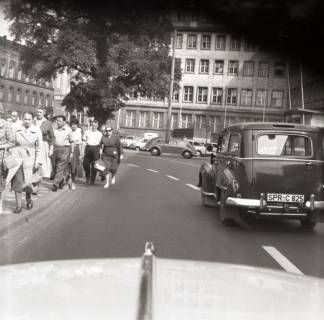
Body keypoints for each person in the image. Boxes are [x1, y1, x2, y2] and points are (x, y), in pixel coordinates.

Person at [11, 112, 43, 213]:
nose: (27, 121)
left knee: (27, 181)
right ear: (22, 119)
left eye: (29, 119)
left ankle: (28, 199)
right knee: (17, 181)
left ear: (32, 119)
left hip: (30, 157)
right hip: (17, 156)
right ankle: (18, 206)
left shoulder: (37, 130)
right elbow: (12, 142)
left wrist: (38, 161)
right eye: (25, 119)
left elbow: (39, 147)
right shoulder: (17, 129)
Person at [52, 115, 72, 191]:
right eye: (57, 120)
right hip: (56, 148)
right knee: (55, 166)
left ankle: (55, 184)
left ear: (64, 122)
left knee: (60, 166)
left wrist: (72, 152)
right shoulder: (54, 129)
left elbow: (72, 141)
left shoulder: (68, 130)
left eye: (59, 121)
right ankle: (62, 180)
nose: (57, 122)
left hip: (65, 149)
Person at [34, 107, 55, 179]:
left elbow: (52, 137)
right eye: (37, 112)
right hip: (32, 144)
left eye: (40, 112)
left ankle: (38, 179)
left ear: (44, 113)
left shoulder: (47, 123)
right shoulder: (33, 121)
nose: (38, 114)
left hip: (43, 144)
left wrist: (51, 149)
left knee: (41, 163)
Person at [82, 119, 102, 184]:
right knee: (85, 164)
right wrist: (82, 149)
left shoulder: (99, 134)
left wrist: (100, 152)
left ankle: (92, 179)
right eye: (93, 125)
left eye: (95, 125)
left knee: (95, 165)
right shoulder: (87, 132)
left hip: (96, 148)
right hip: (88, 148)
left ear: (97, 126)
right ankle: (87, 176)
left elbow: (101, 144)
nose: (94, 127)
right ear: (91, 125)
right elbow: (84, 141)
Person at [67, 118, 82, 190]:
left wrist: (81, 153)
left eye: (75, 125)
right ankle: (67, 179)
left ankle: (73, 182)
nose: (73, 126)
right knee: (66, 165)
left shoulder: (79, 131)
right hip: (67, 148)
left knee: (74, 166)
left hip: (75, 149)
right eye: (72, 125)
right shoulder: (68, 131)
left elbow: (79, 142)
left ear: (77, 125)